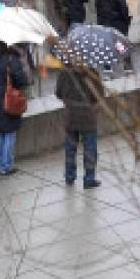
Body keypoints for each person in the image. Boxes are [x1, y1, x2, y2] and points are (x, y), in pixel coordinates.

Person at [53, 43, 105, 189]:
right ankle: (89, 179)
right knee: (90, 149)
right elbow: (99, 96)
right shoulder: (92, 73)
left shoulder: (65, 73)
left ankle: (69, 177)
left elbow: (58, 93)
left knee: (70, 148)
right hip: (88, 118)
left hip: (71, 117)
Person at [0, 40, 28, 175]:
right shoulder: (11, 59)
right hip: (9, 100)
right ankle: (7, 165)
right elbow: (21, 80)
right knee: (9, 132)